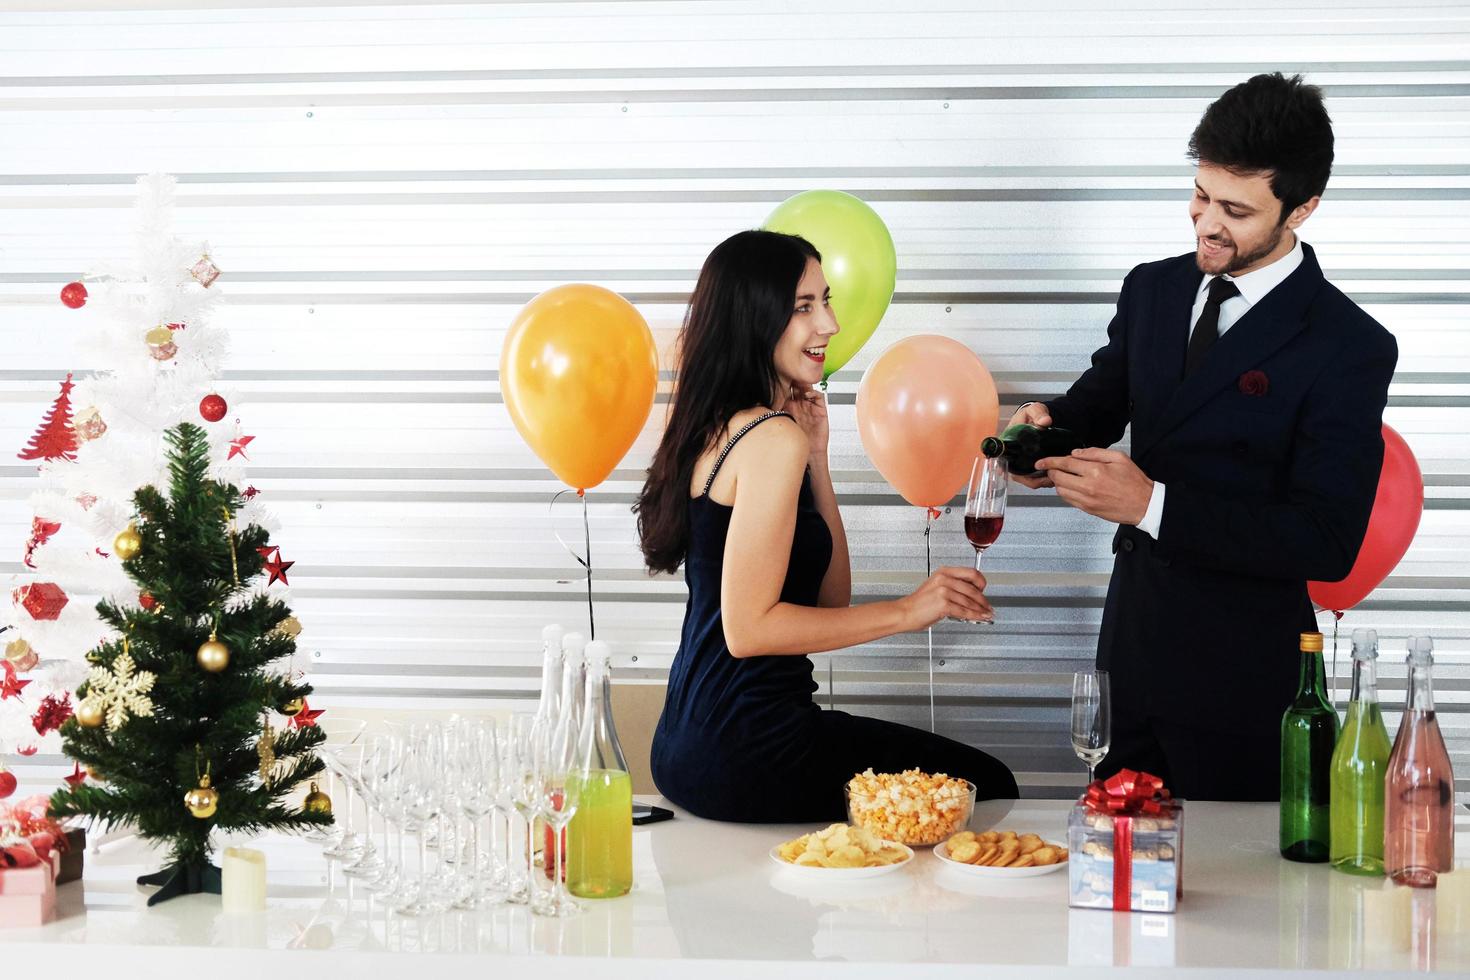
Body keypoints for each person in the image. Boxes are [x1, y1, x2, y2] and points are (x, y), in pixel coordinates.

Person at [1009, 73, 1397, 801]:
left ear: (1303, 209)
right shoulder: (1152, 289)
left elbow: (1325, 538)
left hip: (1244, 678)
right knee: (1118, 879)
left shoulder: (1350, 345)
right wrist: (1045, 431)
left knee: (1238, 903)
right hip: (1133, 646)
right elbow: (1101, 400)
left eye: (1236, 210)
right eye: (1200, 194)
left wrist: (1152, 505)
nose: (1205, 224)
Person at [636, 229, 1018, 822]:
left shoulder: (718, 426)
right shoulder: (767, 438)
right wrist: (910, 610)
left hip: (686, 743)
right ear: (753, 319)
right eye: (803, 307)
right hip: (752, 748)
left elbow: (828, 599)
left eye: (826, 300)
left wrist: (818, 460)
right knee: (988, 784)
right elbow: (748, 630)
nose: (830, 324)